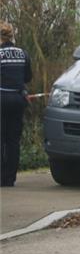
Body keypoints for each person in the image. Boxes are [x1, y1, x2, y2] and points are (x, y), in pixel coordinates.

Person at [1, 23, 32, 187]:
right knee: (13, 140)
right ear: (12, 36)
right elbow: (27, 77)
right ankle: (10, 178)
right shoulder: (23, 54)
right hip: (18, 100)